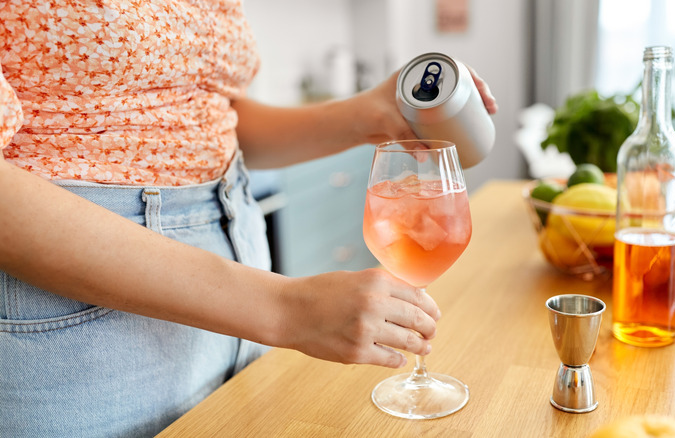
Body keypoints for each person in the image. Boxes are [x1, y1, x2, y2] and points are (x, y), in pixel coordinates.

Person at [0, 1, 498, 436]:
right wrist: (285, 308)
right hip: (78, 313)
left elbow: (207, 117)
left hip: (234, 268)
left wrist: (365, 114)